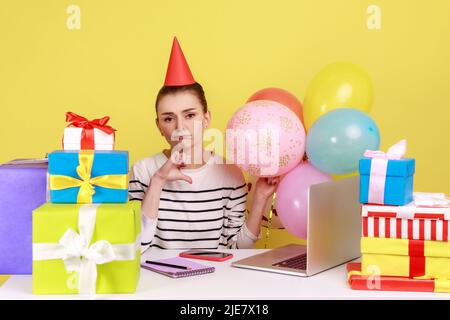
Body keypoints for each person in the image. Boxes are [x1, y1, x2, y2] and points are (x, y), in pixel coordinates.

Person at [129, 37, 279, 252]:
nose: (180, 127)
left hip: (212, 282)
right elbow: (136, 248)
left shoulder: (230, 173)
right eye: (169, 119)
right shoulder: (143, 171)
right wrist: (158, 181)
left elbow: (237, 248)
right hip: (158, 282)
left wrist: (260, 199)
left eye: (190, 115)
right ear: (159, 126)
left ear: (206, 119)